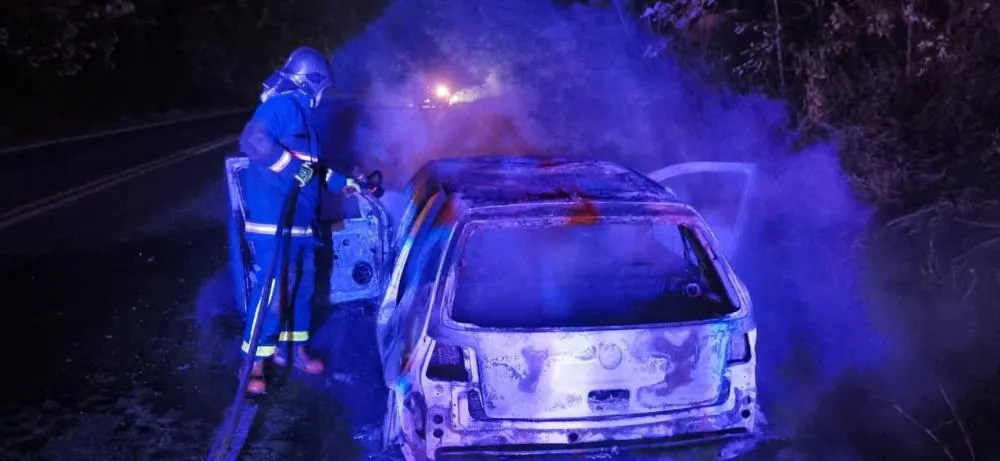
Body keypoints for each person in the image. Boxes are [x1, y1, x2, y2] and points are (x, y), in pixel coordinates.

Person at [238, 46, 360, 394]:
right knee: (275, 291)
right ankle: (253, 364)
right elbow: (252, 141)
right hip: (275, 223)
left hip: (302, 225)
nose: (324, 94)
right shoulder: (283, 106)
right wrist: (291, 169)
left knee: (302, 289)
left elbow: (314, 171)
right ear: (312, 81)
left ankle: (292, 349)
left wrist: (344, 183)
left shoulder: (307, 123)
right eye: (323, 86)